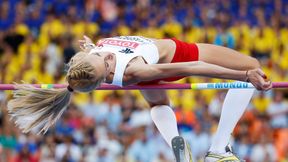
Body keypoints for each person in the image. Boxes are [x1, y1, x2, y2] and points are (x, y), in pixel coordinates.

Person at [8, 35, 272, 162]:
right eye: (108, 71)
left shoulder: (96, 52)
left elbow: (91, 58)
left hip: (148, 71)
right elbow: (193, 67)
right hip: (176, 56)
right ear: (106, 79)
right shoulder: (134, 69)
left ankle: (174, 141)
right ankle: (217, 149)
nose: (109, 61)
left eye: (102, 57)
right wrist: (245, 73)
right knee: (251, 66)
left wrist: (90, 47)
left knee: (158, 103)